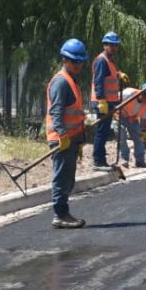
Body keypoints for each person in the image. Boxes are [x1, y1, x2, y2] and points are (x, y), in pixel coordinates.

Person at [46, 39, 88, 229]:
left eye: (80, 61)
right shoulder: (61, 82)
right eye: (75, 61)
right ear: (65, 60)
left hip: (71, 139)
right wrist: (62, 135)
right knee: (62, 177)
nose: (79, 65)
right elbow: (56, 111)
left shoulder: (72, 81)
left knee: (68, 178)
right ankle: (60, 214)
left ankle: (63, 213)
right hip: (61, 139)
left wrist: (79, 139)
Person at [91, 31, 122, 171]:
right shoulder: (101, 60)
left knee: (104, 132)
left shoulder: (109, 61)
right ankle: (98, 161)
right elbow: (98, 81)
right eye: (112, 45)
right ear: (105, 45)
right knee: (101, 131)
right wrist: (101, 100)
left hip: (109, 102)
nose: (115, 48)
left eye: (116, 45)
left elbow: (109, 76)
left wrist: (118, 74)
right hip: (102, 102)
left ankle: (101, 159)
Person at [117, 82, 146, 168]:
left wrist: (143, 131)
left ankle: (140, 161)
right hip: (119, 117)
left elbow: (143, 119)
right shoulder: (128, 93)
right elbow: (115, 103)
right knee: (122, 137)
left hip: (133, 120)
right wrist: (124, 114)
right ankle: (124, 159)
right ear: (142, 93)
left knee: (139, 138)